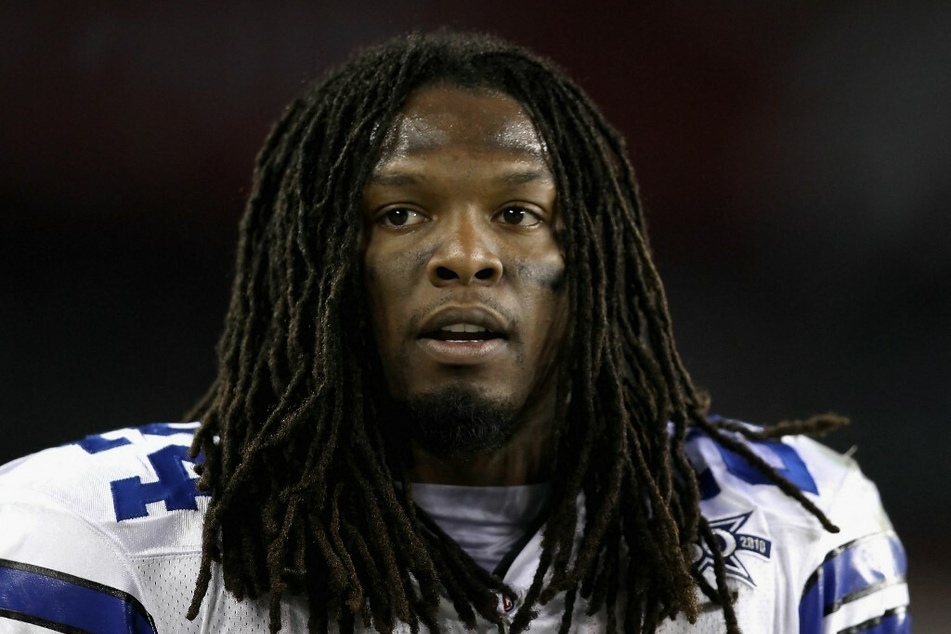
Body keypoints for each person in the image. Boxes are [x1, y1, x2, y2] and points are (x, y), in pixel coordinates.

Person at [0, 31, 909, 634]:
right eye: (399, 214)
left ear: (595, 263)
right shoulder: (90, 538)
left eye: (519, 213)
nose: (466, 257)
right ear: (315, 263)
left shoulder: (794, 529)